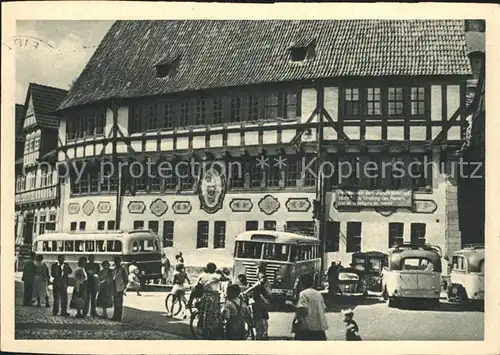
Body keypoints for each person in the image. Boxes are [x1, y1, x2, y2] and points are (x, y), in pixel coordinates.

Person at [289, 273, 328, 341]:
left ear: (302, 283)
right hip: (319, 330)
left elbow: (303, 310)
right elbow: (323, 308)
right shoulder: (318, 294)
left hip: (306, 329)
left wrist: (291, 305)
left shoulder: (303, 294)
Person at [198, 262, 230, 338]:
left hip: (205, 296)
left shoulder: (204, 276)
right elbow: (227, 279)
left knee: (204, 313)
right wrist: (221, 272)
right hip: (214, 296)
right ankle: (213, 331)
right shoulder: (215, 276)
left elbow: (199, 285)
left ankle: (204, 330)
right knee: (214, 314)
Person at [253, 263, 271, 340]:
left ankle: (263, 334)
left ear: (260, 271)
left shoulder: (263, 279)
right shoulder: (263, 279)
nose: (256, 271)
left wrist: (263, 299)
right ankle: (264, 333)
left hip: (261, 301)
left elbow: (267, 292)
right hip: (262, 301)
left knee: (262, 318)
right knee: (263, 318)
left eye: (256, 270)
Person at [112, 256, 128, 321]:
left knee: (119, 303)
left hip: (120, 287)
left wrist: (124, 287)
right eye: (115, 261)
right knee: (115, 302)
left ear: (120, 261)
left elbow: (125, 278)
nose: (116, 262)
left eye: (117, 261)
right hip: (115, 286)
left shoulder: (122, 269)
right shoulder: (115, 269)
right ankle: (115, 316)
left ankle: (118, 317)